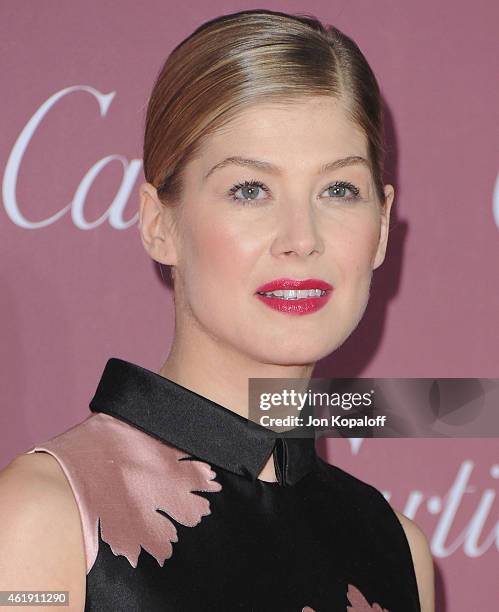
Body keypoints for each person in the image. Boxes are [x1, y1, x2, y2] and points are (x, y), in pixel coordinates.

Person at [0, 8, 435, 612]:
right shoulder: (47, 518)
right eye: (249, 189)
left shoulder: (396, 547)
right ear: (159, 224)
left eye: (338, 190)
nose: (301, 237)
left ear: (383, 226)